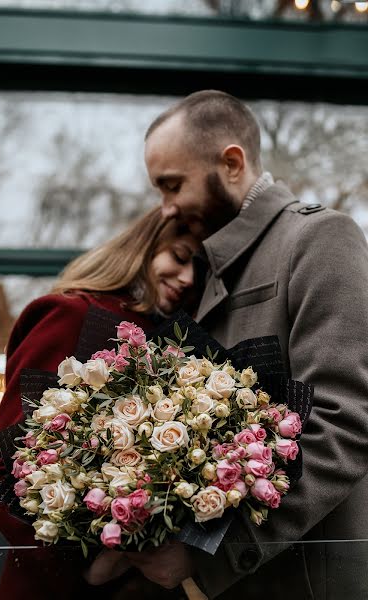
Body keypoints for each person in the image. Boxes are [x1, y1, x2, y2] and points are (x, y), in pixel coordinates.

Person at [126, 90, 368, 600]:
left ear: (232, 163)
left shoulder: (320, 238)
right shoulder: (207, 263)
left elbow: (344, 422)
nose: (165, 208)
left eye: (173, 185)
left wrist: (209, 549)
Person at [0, 206, 201, 600]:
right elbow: (2, 475)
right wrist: (91, 565)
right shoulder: (72, 315)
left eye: (199, 272)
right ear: (144, 248)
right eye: (179, 257)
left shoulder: (173, 342)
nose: (187, 278)